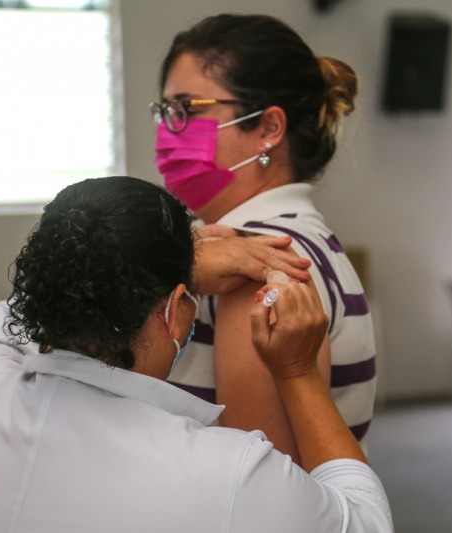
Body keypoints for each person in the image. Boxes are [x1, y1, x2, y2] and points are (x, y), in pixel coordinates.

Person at [0, 176, 392, 532]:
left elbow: (8, 314)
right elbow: (365, 522)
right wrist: (297, 372)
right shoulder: (226, 475)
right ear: (174, 310)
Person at [152, 14, 377, 462]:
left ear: (268, 129)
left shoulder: (257, 262)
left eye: (187, 110)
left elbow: (262, 493)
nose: (166, 131)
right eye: (164, 111)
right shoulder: (257, 242)